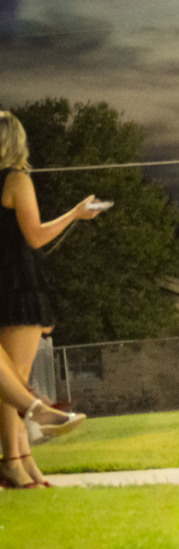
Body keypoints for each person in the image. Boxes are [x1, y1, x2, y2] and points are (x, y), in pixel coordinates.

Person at [1, 110, 94, 488]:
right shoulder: (16, 178)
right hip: (16, 282)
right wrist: (75, 214)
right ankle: (15, 462)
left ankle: (22, 463)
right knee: (16, 382)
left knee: (10, 382)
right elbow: (36, 236)